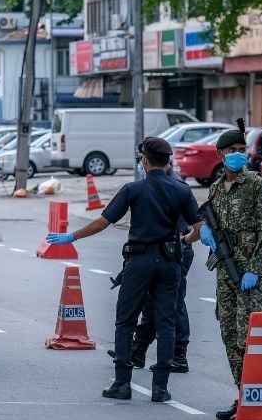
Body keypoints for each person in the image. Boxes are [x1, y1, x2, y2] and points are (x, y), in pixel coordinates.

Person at [47, 136, 202, 402]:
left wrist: (71, 237)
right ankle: (161, 388)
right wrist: (183, 241)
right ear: (168, 162)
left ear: (144, 160)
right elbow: (198, 228)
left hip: (139, 262)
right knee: (166, 323)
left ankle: (122, 383)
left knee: (125, 321)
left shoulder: (133, 189)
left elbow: (102, 222)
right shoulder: (182, 190)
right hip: (169, 263)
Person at [197, 118, 262, 420]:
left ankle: (256, 396)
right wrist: (204, 232)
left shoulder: (256, 184)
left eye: (242, 149)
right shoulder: (216, 189)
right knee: (229, 334)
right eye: (232, 149)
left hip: (249, 274)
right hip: (225, 274)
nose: (238, 154)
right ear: (220, 153)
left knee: (250, 337)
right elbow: (211, 223)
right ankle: (242, 394)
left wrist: (255, 268)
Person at [107, 162, 195, 373]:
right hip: (162, 250)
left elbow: (188, 226)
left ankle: (178, 355)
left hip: (174, 248)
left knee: (173, 305)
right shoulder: (156, 184)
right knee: (150, 303)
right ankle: (138, 350)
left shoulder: (173, 186)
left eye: (143, 158)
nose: (141, 163)